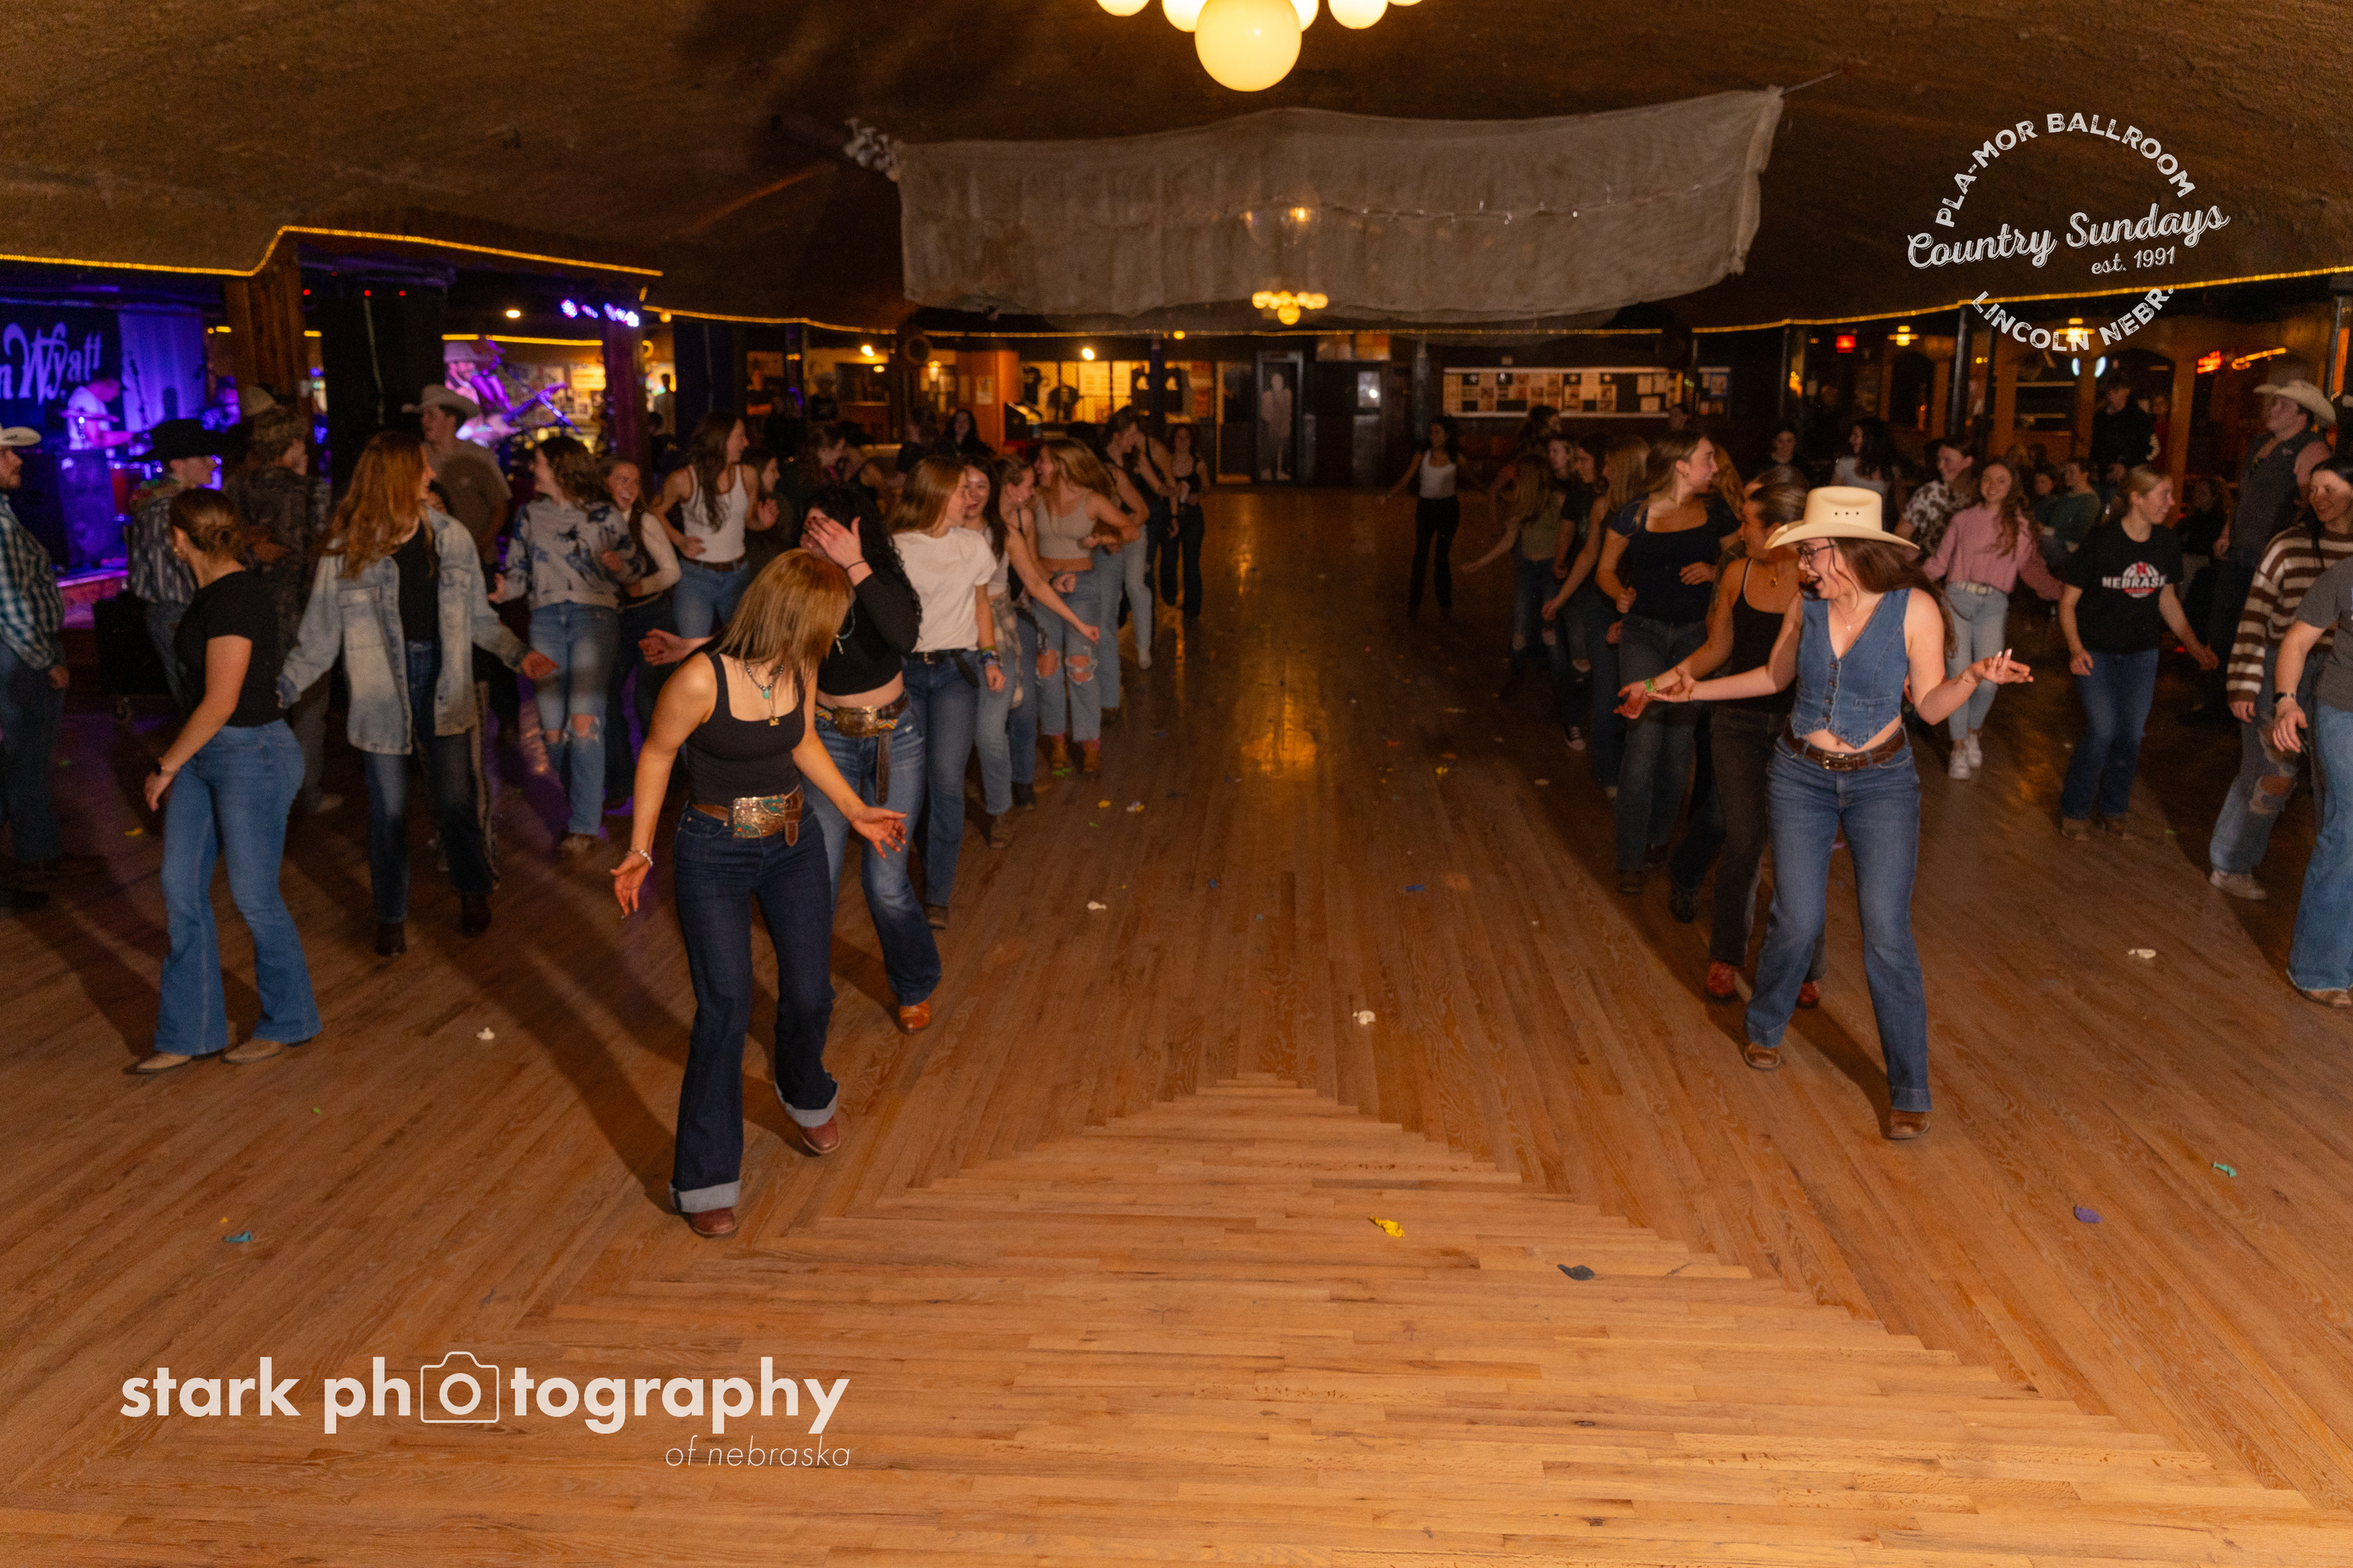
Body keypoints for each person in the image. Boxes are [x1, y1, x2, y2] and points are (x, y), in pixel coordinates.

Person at [1630, 486, 2034, 1140]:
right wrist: (1689, 689)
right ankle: (1765, 1025)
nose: (1803, 564)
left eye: (1811, 551)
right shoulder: (1806, 604)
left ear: (1847, 549)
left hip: (1882, 784)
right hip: (1801, 777)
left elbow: (1930, 707)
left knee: (1887, 934)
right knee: (1797, 917)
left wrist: (1974, 676)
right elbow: (1772, 678)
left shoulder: (1914, 609)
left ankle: (1909, 1087)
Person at [611, 550, 908, 1238]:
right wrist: (640, 848)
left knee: (809, 992)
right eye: (829, 620)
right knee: (725, 1008)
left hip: (792, 842)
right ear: (792, 614)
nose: (835, 633)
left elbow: (801, 739)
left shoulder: (800, 662)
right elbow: (657, 754)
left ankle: (804, 1093)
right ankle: (704, 1177)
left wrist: (855, 808)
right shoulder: (699, 679)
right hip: (713, 851)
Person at [277, 433, 558, 955]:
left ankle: (472, 889)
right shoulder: (348, 547)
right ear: (397, 476)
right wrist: (281, 688)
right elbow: (319, 634)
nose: (431, 475)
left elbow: (478, 618)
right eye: (422, 467)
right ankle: (390, 915)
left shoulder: (451, 537)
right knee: (387, 810)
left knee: (455, 799)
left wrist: (517, 653)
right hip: (379, 687)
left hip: (445, 679)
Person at [135, 488, 319, 1073]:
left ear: (178, 539)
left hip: (252, 754)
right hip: (207, 752)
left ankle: (289, 1020)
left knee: (254, 897)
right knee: (180, 887)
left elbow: (221, 700)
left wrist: (165, 765)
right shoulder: (211, 593)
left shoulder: (238, 597)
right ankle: (189, 1032)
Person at [1638, 480, 1826, 1003]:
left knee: (1797, 849)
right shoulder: (1738, 573)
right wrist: (1653, 686)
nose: (1740, 532)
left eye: (1748, 523)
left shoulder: (1819, 585)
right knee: (1743, 842)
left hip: (1798, 730)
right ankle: (1726, 954)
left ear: (1780, 531)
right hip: (1737, 724)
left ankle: (1806, 964)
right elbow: (1715, 649)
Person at [1595, 433, 1739, 893]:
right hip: (1644, 633)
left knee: (1677, 752)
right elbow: (1605, 568)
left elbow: (1742, 561)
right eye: (1707, 458)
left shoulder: (1716, 511)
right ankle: (1629, 857)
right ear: (1680, 464)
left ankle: (1658, 838)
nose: (1714, 467)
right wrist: (1619, 594)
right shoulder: (1633, 514)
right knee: (1642, 746)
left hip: (1696, 638)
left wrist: (1715, 571)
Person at [2206, 457, 2353, 901]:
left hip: (2338, 674)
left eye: (2330, 489)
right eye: (2314, 489)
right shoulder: (2288, 544)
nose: (2319, 498)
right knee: (2272, 773)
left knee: (2334, 785)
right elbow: (2255, 614)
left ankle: (2336, 881)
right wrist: (2243, 681)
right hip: (2282, 666)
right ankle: (2230, 864)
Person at [2056, 466, 2218, 839]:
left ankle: (2114, 809)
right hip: (2096, 652)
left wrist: (2194, 647)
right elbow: (2067, 603)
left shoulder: (2166, 542)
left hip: (2141, 655)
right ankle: (2075, 809)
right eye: (2164, 494)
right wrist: (2076, 648)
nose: (2172, 503)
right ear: (2136, 498)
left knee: (2130, 734)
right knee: (2102, 730)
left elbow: (2166, 599)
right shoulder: (2101, 542)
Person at [496, 435, 631, 855]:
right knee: (552, 731)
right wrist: (501, 591)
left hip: (595, 617)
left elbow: (635, 566)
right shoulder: (529, 514)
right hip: (545, 621)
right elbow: (517, 572)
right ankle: (583, 802)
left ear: (559, 468)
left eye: (537, 462)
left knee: (584, 723)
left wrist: (620, 565)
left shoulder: (605, 515)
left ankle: (584, 824)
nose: (531, 469)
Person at [891, 458, 1006, 927]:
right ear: (937, 494)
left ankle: (937, 892)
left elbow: (981, 604)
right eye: (961, 490)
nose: (971, 498)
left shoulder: (973, 545)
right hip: (905, 674)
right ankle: (894, 883)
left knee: (946, 780)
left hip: (956, 673)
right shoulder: (897, 547)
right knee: (907, 783)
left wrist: (990, 657)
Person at [0, 426, 103, 888]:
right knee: (28, 757)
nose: (18, 460)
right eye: (5, 454)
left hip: (19, 652)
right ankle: (36, 858)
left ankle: (39, 852)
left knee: (24, 756)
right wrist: (46, 659)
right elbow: (9, 604)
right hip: (20, 654)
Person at [2198, 380, 2335, 720]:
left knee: (2257, 630)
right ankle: (2220, 702)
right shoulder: (2260, 444)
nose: (2272, 410)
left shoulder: (2311, 449)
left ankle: (2248, 704)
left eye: (2282, 405)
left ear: (2303, 415)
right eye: (2275, 403)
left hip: (2270, 555)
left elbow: (2313, 506)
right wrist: (2228, 530)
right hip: (2242, 549)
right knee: (2224, 625)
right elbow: (2245, 495)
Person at [225, 405, 338, 817]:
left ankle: (261, 797)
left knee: (258, 706)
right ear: (293, 444)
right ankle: (307, 795)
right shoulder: (312, 490)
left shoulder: (235, 489)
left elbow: (229, 548)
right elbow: (320, 552)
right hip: (301, 611)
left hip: (249, 613)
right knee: (308, 707)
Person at [975, 456, 1097, 834]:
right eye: (1027, 485)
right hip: (966, 625)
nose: (1032, 491)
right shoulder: (962, 530)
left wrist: (1073, 615)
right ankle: (998, 799)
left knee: (1024, 706)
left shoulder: (1017, 525)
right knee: (986, 724)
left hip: (1011, 613)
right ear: (1009, 488)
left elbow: (1032, 575)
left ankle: (1021, 781)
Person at [1921, 458, 2065, 778]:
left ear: (2012, 487)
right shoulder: (1963, 519)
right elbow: (1940, 562)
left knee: (1988, 681)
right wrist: (1907, 581)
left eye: (2001, 480)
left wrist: (2063, 593)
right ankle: (1959, 747)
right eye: (1987, 478)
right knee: (1959, 676)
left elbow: (2031, 569)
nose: (1993, 485)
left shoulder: (2021, 526)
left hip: (1994, 605)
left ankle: (1973, 732)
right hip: (1956, 599)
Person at [2264, 548, 2353, 1005]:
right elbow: (2297, 642)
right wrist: (2285, 701)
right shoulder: (2345, 574)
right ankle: (2317, 969)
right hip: (2343, 710)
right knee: (2348, 827)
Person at [1468, 433, 1584, 741]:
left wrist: (1562, 565)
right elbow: (1509, 541)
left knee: (1550, 637)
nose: (1514, 481)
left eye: (1519, 477)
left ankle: (1562, 697)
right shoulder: (1523, 505)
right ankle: (1515, 676)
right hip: (1527, 573)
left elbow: (1569, 536)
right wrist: (1481, 562)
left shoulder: (1558, 501)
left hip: (1549, 574)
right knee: (1519, 633)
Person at [1030, 437, 1135, 776]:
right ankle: (1057, 739)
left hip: (1082, 587)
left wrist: (1104, 539)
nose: (1037, 467)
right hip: (1045, 587)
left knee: (1080, 666)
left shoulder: (1092, 500)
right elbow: (1024, 543)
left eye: (1043, 461)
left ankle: (1090, 742)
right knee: (1047, 669)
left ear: (1062, 464)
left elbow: (1131, 529)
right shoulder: (1037, 498)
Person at [599, 457, 681, 810]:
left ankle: (669, 782)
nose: (629, 488)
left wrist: (641, 586)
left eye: (634, 482)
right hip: (613, 621)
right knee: (605, 698)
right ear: (604, 483)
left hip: (650, 616)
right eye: (621, 480)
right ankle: (619, 781)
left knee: (649, 704)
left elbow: (672, 572)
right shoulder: (594, 521)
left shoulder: (644, 521)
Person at [125, 419, 223, 710]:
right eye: (203, 456)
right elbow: (185, 564)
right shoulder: (167, 509)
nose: (212, 463)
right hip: (179, 611)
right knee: (198, 695)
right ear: (177, 464)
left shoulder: (170, 504)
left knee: (200, 694)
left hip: (182, 611)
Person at [651, 413, 760, 641]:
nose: (746, 443)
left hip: (738, 575)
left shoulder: (748, 475)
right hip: (696, 578)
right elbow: (655, 511)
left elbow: (748, 522)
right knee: (691, 648)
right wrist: (679, 540)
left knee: (742, 647)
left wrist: (763, 522)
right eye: (740, 436)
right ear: (720, 438)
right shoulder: (683, 479)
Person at [1105, 409, 1169, 673]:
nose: (1134, 439)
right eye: (1130, 434)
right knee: (1110, 591)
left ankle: (1144, 648)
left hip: (1135, 527)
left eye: (1136, 433)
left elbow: (1157, 487)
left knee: (1136, 585)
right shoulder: (1098, 462)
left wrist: (1173, 491)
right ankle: (1108, 647)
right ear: (1116, 435)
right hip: (1107, 534)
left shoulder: (1136, 458)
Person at [1389, 418, 1464, 618]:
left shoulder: (1456, 457)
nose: (1433, 437)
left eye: (1438, 432)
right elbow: (1407, 477)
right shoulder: (1422, 455)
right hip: (1426, 509)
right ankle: (1414, 605)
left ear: (1448, 435)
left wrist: (1491, 493)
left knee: (1441, 557)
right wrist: (1389, 495)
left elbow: (1474, 479)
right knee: (1420, 555)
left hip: (1448, 509)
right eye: (1431, 432)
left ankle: (1445, 605)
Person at [1159, 422, 1211, 618]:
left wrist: (1198, 495)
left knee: (1191, 561)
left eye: (1186, 438)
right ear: (1173, 441)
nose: (1182, 441)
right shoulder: (1165, 462)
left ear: (1191, 441)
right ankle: (1169, 595)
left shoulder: (1198, 464)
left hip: (1192, 517)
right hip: (1169, 515)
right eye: (1178, 437)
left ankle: (1192, 606)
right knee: (1169, 558)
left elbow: (1206, 487)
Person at [1896, 438, 1976, 556]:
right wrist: (1908, 549)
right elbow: (1902, 531)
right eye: (1939, 459)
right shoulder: (1931, 492)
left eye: (1947, 460)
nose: (1940, 466)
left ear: (1967, 462)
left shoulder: (1980, 493)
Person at [2087, 377, 2156, 484]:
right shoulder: (2101, 416)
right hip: (2100, 474)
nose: (2111, 396)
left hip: (2125, 476)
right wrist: (2093, 467)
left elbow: (2146, 448)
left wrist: (2125, 465)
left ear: (2126, 391)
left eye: (2116, 391)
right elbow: (2094, 444)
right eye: (2108, 392)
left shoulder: (2139, 418)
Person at [1834, 418, 1900, 524]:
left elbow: (1893, 503)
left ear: (1870, 440)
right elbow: (1832, 497)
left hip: (1873, 525)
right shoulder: (1845, 465)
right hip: (1847, 523)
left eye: (1856, 436)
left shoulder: (1889, 469)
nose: (1851, 439)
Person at [2041, 460, 2102, 566]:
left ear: (2084, 474)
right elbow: (2053, 521)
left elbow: (2080, 533)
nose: (2066, 475)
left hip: (2070, 549)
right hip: (2054, 541)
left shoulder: (2089, 500)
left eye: (2071, 472)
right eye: (2066, 472)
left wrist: (2049, 532)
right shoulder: (2065, 497)